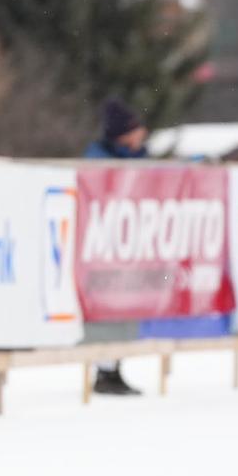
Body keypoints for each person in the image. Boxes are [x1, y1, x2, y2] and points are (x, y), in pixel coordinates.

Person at [84, 97, 148, 395]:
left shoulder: (136, 158)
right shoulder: (100, 159)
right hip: (102, 245)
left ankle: (113, 367)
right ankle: (104, 369)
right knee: (105, 307)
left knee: (123, 306)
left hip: (125, 245)